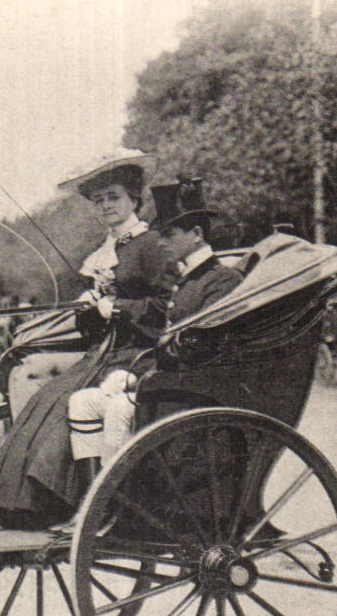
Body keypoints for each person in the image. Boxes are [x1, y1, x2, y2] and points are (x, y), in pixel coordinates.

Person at [0, 151, 175, 528]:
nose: (105, 206)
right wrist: (89, 311)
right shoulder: (107, 250)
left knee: (60, 401)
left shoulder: (150, 245)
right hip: (106, 353)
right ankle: (19, 504)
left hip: (141, 355)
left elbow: (167, 307)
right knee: (44, 398)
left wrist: (115, 307)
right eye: (98, 201)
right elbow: (95, 331)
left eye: (113, 197)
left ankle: (58, 506)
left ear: (135, 199)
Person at [67, 179, 243, 466]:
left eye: (169, 234)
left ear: (196, 234)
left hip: (196, 392)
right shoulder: (187, 282)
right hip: (169, 383)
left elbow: (199, 347)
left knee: (120, 408)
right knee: (82, 402)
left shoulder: (222, 281)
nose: (161, 243)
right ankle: (93, 496)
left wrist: (138, 375)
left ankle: (113, 501)